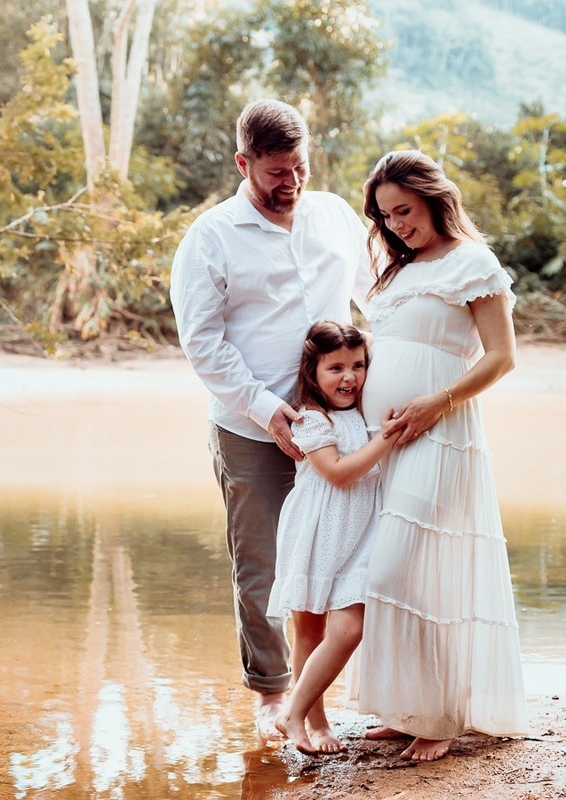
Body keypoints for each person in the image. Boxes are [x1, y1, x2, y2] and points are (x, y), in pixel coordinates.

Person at [170, 98, 373, 739]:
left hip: (338, 424)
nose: (291, 183)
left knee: (340, 553)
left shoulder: (334, 215)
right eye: (276, 172)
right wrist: (266, 409)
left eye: (299, 168)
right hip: (250, 426)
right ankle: (271, 694)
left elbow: (376, 294)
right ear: (243, 163)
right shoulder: (210, 236)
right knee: (261, 560)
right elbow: (202, 342)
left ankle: (333, 694)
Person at [357, 149, 528, 761]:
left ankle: (443, 715)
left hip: (440, 433)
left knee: (399, 569)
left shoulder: (472, 262)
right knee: (398, 573)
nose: (396, 224)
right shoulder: (396, 271)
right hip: (384, 443)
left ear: (433, 198)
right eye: (385, 216)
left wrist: (438, 402)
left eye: (404, 210)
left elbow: (502, 357)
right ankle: (407, 708)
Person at [266, 321, 400, 755]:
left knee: (348, 628)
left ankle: (293, 711)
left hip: (361, 536)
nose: (349, 377)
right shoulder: (309, 418)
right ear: (313, 372)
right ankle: (315, 723)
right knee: (309, 632)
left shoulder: (365, 411)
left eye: (358, 366)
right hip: (317, 533)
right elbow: (338, 474)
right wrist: (388, 439)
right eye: (336, 368)